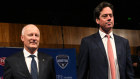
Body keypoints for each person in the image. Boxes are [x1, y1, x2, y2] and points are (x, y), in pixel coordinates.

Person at [77, 1, 134, 79]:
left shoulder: (124, 42)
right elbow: (82, 73)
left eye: (111, 15)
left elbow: (129, 72)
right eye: (105, 16)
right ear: (97, 20)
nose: (109, 18)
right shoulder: (87, 42)